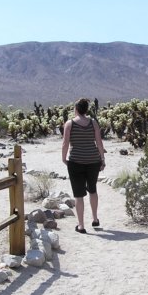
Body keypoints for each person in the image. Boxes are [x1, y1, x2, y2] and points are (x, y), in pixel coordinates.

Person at [62, 98, 105, 234]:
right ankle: (95, 219)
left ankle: (81, 226)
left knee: (78, 194)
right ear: (86, 110)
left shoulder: (69, 124)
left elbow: (65, 143)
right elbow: (99, 142)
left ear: (76, 109)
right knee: (93, 190)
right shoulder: (93, 123)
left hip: (76, 161)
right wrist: (102, 159)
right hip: (93, 160)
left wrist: (64, 158)